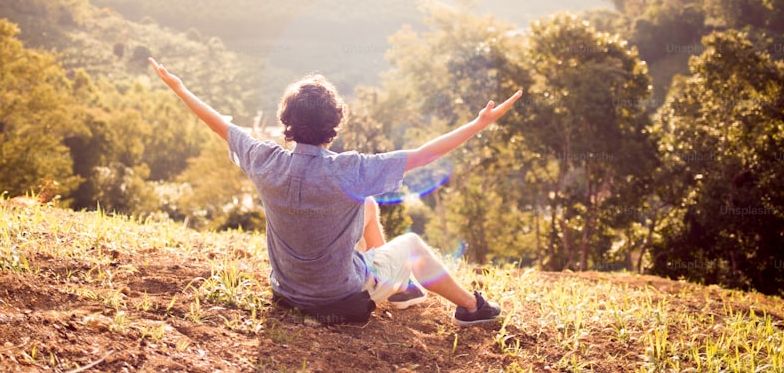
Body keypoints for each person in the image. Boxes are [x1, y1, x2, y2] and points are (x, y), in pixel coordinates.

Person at [149, 58, 521, 326]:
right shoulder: (350, 170)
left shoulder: (265, 162)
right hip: (341, 298)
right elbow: (425, 154)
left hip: (287, 293)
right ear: (335, 127)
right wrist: (478, 123)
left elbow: (223, 127)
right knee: (410, 246)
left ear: (286, 123)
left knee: (369, 206)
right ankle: (473, 308)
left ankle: (401, 289)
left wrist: (181, 90)